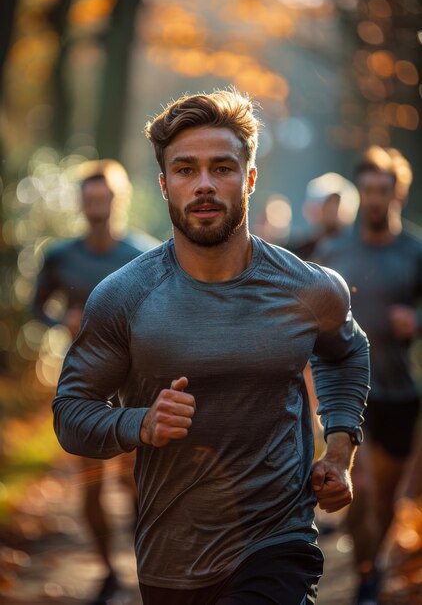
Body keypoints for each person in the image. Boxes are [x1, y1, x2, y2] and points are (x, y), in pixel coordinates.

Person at [52, 89, 369, 605]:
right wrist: (140, 424)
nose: (203, 185)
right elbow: (70, 413)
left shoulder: (309, 288)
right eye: (185, 170)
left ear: (249, 178)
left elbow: (346, 352)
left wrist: (339, 448)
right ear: (163, 185)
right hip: (171, 556)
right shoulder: (123, 297)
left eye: (222, 168)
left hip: (278, 542)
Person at [33, 159, 159, 605]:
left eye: (104, 198)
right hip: (81, 385)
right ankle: (108, 571)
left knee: (134, 483)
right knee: (89, 483)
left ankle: (149, 565)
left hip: (133, 387)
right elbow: (38, 305)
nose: (97, 207)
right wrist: (59, 318)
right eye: (89, 200)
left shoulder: (143, 254)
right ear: (81, 204)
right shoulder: (61, 257)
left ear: (118, 200)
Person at [314, 147, 422, 605]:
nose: (375, 199)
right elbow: (312, 314)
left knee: (385, 497)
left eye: (384, 190)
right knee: (363, 487)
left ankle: (370, 569)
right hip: (349, 392)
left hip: (399, 390)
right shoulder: (336, 250)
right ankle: (364, 572)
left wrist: (417, 319)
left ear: (399, 192)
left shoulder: (415, 251)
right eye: (368, 190)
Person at [287, 172, 359, 260]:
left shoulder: (356, 252)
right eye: (328, 204)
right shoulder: (298, 252)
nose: (333, 210)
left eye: (337, 204)